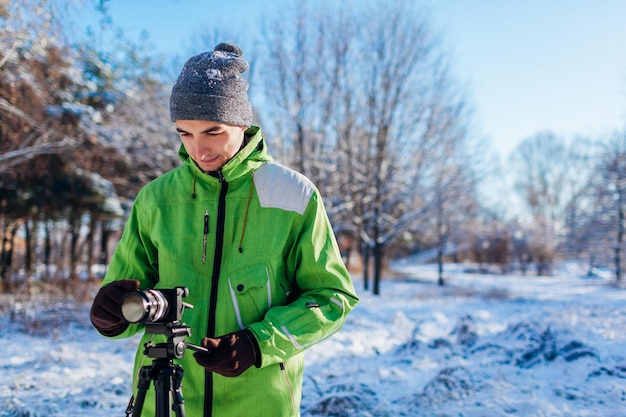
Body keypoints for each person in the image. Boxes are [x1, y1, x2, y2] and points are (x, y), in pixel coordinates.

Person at [89, 41, 359, 417]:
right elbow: (132, 295)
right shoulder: (156, 199)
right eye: (185, 133)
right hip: (163, 398)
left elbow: (332, 298)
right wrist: (111, 314)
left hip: (260, 401)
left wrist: (258, 342)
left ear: (241, 122)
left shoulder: (293, 194)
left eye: (212, 132)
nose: (198, 150)